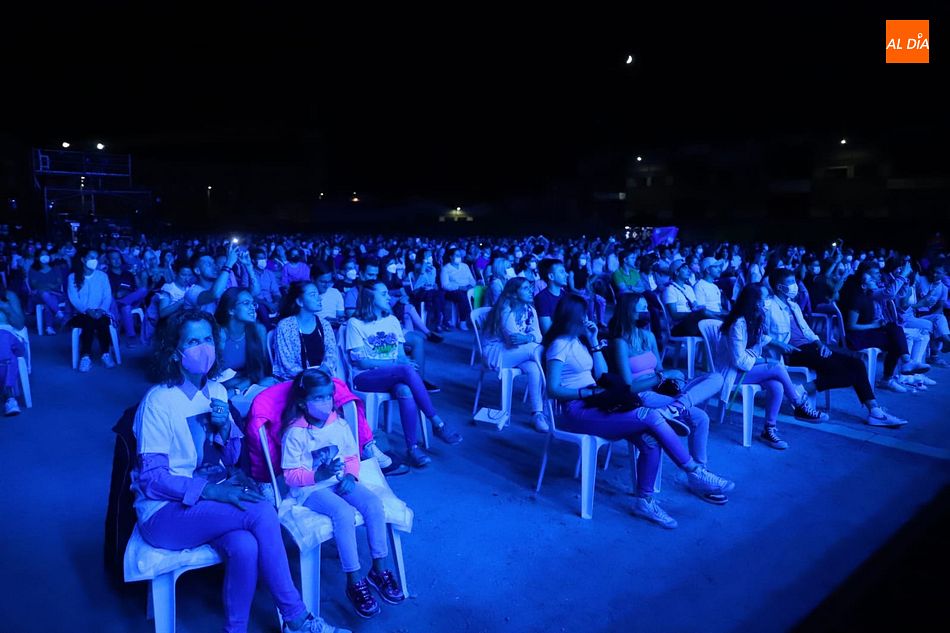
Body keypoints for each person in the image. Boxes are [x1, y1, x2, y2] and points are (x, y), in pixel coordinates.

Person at [130, 310, 347, 633]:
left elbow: (231, 458)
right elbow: (152, 479)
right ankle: (298, 619)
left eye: (207, 339)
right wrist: (213, 491)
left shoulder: (217, 392)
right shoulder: (159, 401)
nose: (203, 348)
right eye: (192, 341)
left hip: (207, 503)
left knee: (245, 546)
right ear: (174, 352)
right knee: (261, 510)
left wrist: (223, 429)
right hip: (165, 512)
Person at [543, 294, 734, 528]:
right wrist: (586, 393)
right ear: (572, 316)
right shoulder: (559, 345)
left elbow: (601, 376)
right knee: (651, 415)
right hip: (577, 411)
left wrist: (593, 342)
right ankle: (694, 471)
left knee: (650, 439)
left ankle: (644, 501)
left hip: (598, 402)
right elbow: (552, 389)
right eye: (584, 314)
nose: (588, 318)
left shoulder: (578, 341)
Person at [280, 368, 404, 619]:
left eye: (328, 396)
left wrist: (350, 476)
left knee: (372, 504)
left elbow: (351, 456)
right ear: (303, 402)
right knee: (343, 513)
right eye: (318, 397)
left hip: (339, 480)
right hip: (311, 488)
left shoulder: (339, 424)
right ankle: (354, 579)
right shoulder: (295, 433)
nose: (326, 402)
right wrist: (317, 476)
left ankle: (379, 569)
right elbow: (291, 476)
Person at [606, 293, 729, 502]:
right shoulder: (620, 343)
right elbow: (629, 386)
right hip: (642, 395)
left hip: (663, 390)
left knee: (717, 378)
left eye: (646, 308)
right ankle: (699, 475)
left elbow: (660, 370)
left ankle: (677, 407)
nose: (646, 312)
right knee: (700, 417)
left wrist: (675, 379)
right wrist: (661, 377)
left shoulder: (648, 336)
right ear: (628, 312)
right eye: (641, 308)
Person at [763, 268, 907, 427]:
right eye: (790, 282)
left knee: (856, 364)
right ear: (779, 286)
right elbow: (758, 334)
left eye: (794, 281)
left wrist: (820, 344)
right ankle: (875, 413)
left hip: (810, 347)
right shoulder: (768, 306)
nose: (795, 286)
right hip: (791, 352)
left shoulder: (793, 305)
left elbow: (808, 331)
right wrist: (779, 344)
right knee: (853, 368)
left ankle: (804, 389)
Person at [345, 282, 462, 468]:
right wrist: (399, 365)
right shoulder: (355, 323)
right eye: (383, 294)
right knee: (406, 370)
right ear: (370, 297)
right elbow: (362, 363)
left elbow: (400, 355)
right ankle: (437, 423)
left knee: (405, 390)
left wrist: (404, 363)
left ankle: (412, 449)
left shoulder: (391, 320)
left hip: (393, 374)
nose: (389, 297)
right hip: (365, 377)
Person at [717, 284, 827, 450]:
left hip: (746, 369)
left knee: (776, 385)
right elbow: (738, 361)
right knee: (776, 368)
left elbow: (760, 338)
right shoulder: (738, 323)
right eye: (764, 298)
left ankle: (768, 429)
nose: (767, 302)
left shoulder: (755, 317)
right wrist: (765, 361)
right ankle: (799, 404)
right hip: (732, 373)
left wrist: (777, 344)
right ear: (753, 301)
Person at [840, 270, 929, 392]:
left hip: (867, 332)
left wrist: (877, 324)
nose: (875, 280)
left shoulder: (867, 297)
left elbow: (896, 295)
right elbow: (851, 326)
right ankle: (891, 376)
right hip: (856, 338)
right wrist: (873, 325)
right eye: (871, 280)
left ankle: (904, 363)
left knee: (894, 329)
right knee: (895, 341)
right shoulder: (857, 300)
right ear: (863, 286)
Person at [482, 277, 548, 432]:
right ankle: (552, 396)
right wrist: (530, 339)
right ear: (513, 293)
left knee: (534, 368)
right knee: (537, 350)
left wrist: (528, 337)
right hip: (496, 352)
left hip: (518, 352)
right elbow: (512, 340)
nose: (530, 291)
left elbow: (539, 336)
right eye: (525, 288)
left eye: (530, 288)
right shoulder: (505, 309)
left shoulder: (530, 310)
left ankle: (537, 414)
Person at [214, 287, 278, 395]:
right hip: (221, 391)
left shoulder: (258, 330)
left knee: (269, 382)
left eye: (253, 304)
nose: (252, 308)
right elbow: (211, 379)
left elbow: (260, 370)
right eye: (246, 303)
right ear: (231, 310)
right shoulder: (220, 334)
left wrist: (239, 386)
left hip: (246, 387)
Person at [67, 249, 116, 373]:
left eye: (96, 258)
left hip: (100, 312)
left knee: (102, 321)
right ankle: (85, 357)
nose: (94, 260)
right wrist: (87, 310)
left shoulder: (102, 276)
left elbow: (107, 296)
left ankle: (105, 353)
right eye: (91, 257)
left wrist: (101, 310)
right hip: (81, 314)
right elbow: (74, 299)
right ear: (83, 260)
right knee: (88, 321)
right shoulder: (72, 277)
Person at [28, 248, 67, 335]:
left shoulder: (55, 268)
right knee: (44, 294)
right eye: (42, 254)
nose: (45, 256)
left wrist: (46, 287)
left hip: (56, 294)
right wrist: (50, 288)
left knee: (48, 302)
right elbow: (34, 285)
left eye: (46, 254)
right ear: (37, 257)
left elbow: (59, 282)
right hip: (38, 296)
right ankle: (58, 311)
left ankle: (49, 327)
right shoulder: (33, 269)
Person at [439, 248, 476, 330]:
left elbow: (472, 279)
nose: (459, 257)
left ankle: (477, 319)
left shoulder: (465, 266)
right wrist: (459, 287)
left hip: (468, 288)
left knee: (480, 293)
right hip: (453, 291)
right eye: (457, 255)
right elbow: (444, 285)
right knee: (463, 296)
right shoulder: (446, 269)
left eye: (460, 255)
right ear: (451, 257)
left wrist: (470, 285)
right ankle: (463, 321)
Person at [534, 258, 569, 335]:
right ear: (551, 276)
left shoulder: (565, 295)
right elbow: (547, 331)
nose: (567, 274)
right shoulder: (542, 298)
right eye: (562, 272)